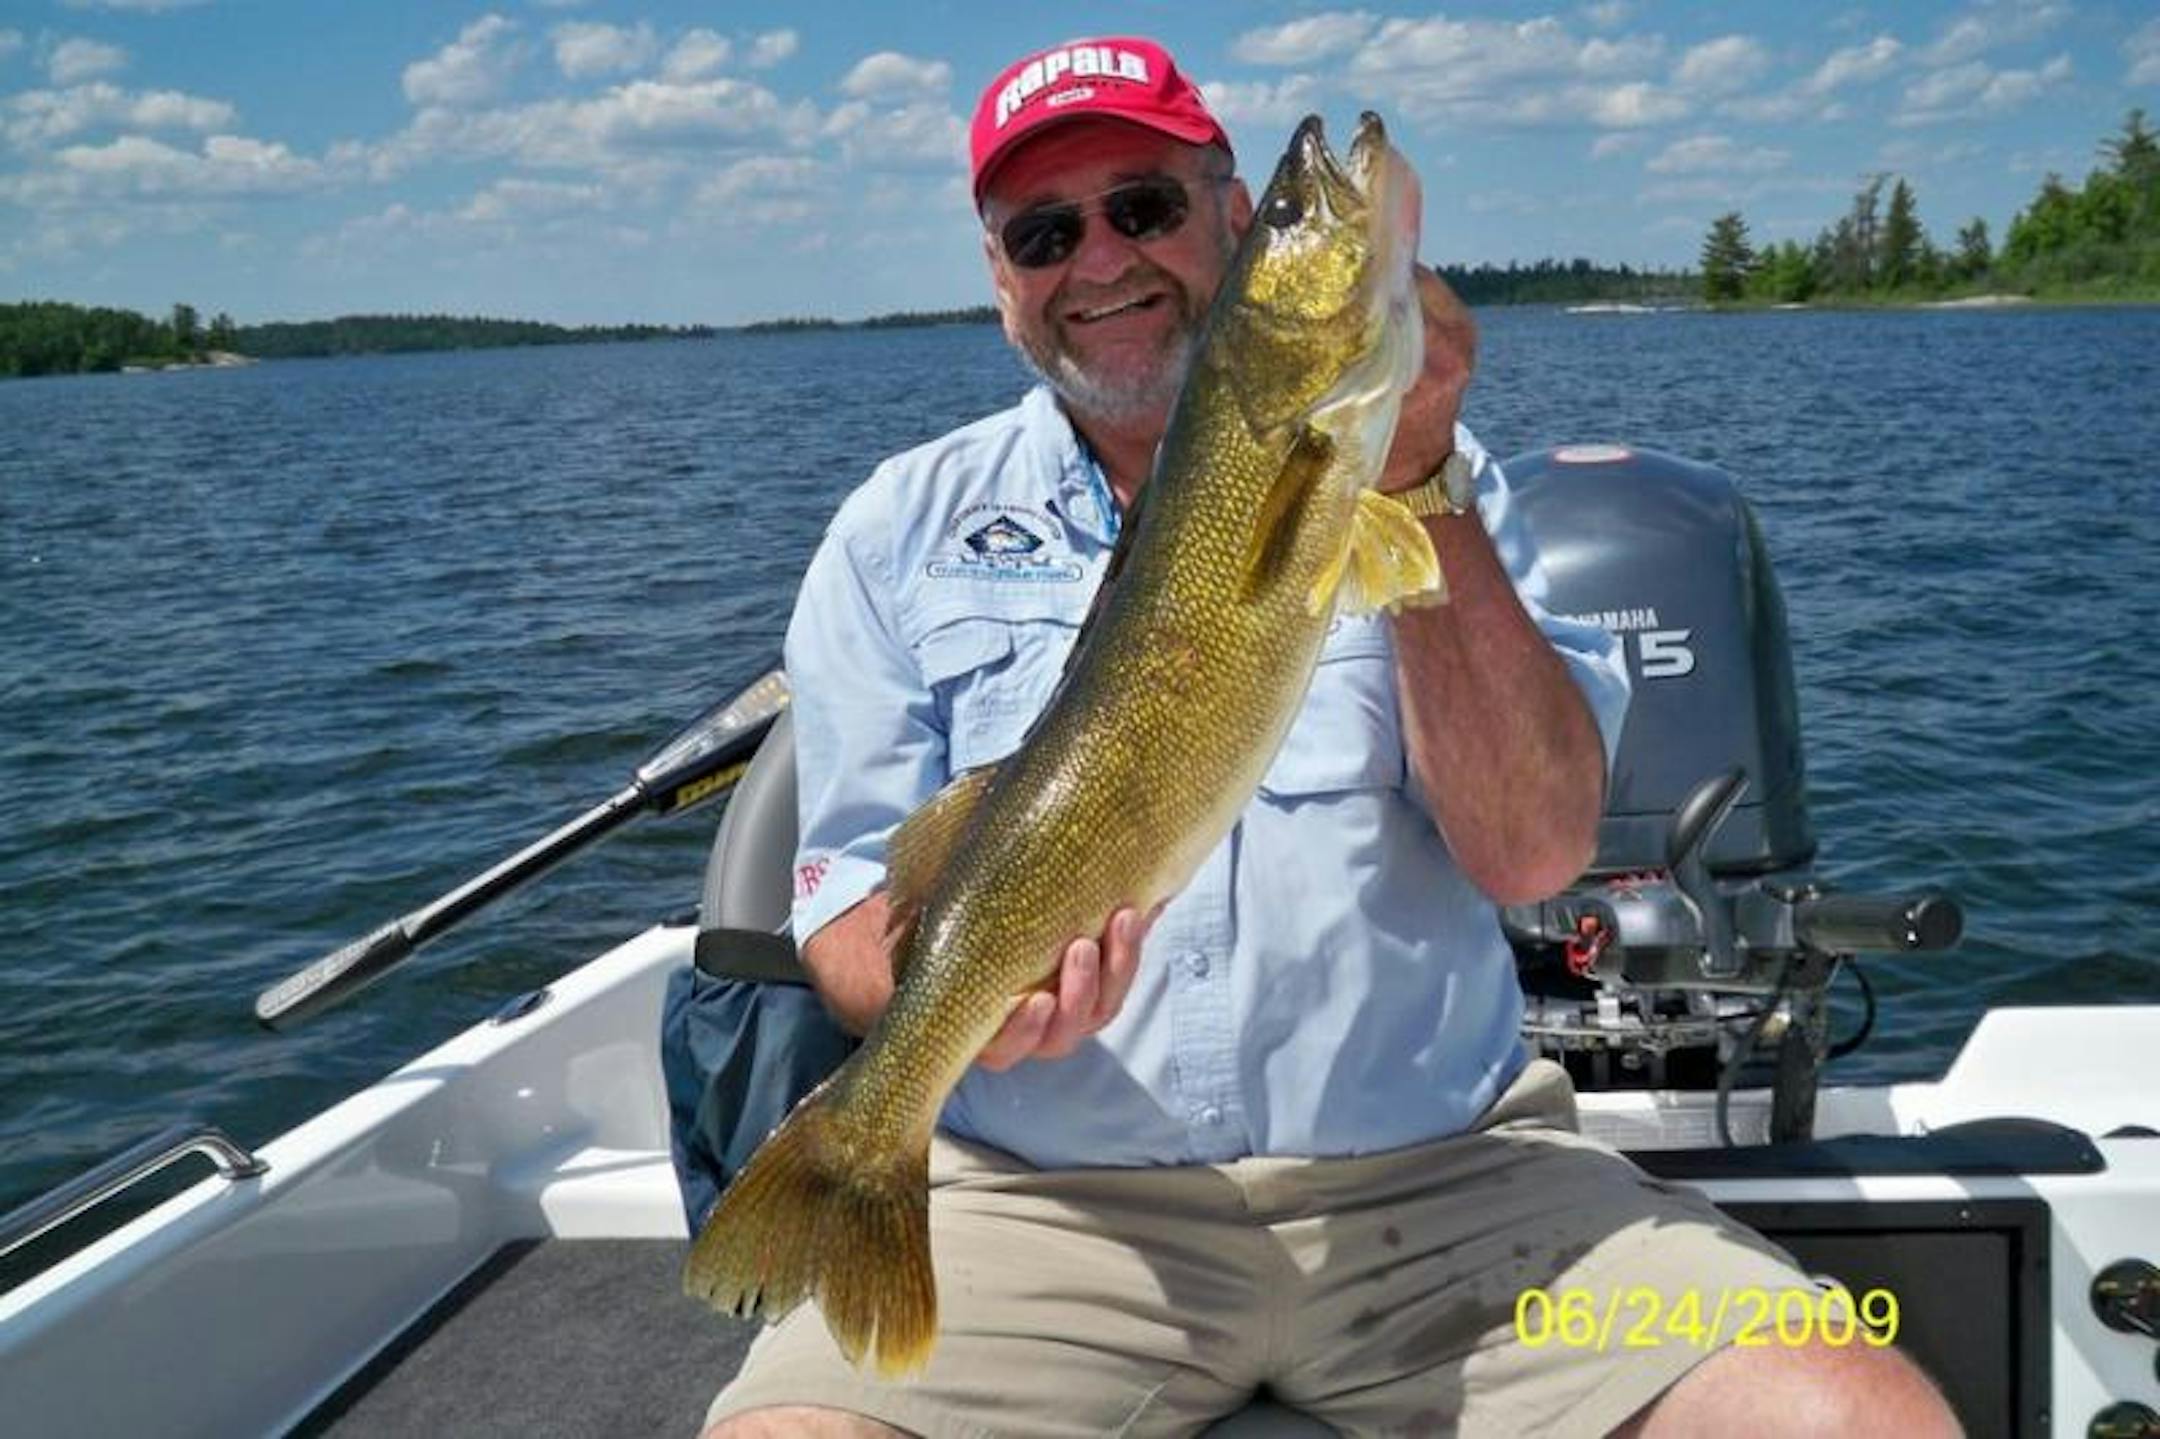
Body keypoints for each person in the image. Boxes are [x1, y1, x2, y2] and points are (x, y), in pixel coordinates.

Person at [702, 35, 1960, 1439]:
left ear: (1234, 227)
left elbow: (1537, 849)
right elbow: (850, 910)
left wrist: (1419, 477)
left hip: (1453, 1197)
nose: (1102, 258)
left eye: (1146, 207)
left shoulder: (1435, 475)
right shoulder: (898, 531)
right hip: (1042, 1210)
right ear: (1002, 280)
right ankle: (863, 1169)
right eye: (1046, 231)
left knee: (1849, 1416)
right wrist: (949, 1018)